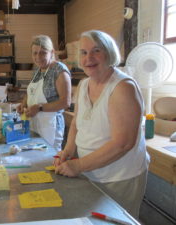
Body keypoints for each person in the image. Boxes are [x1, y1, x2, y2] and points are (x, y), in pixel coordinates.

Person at [54, 30, 150, 219]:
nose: (89, 58)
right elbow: (76, 124)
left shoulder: (123, 88)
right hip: (91, 173)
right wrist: (67, 151)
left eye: (96, 51)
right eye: (83, 52)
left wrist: (79, 165)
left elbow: (123, 143)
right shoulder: (83, 85)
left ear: (109, 53)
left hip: (119, 177)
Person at [17, 35, 71, 151]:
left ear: (52, 52)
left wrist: (39, 108)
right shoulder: (37, 70)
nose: (38, 57)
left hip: (51, 127)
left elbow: (65, 102)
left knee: (49, 160)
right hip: (36, 124)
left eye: (42, 53)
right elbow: (30, 92)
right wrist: (24, 104)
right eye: (35, 53)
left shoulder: (59, 70)